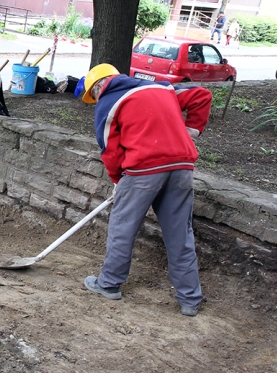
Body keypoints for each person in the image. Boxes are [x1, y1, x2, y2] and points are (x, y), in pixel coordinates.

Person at [79, 64, 213, 317]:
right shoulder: (162, 88)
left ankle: (108, 284)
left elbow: (110, 149)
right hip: (181, 167)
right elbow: (201, 95)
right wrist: (190, 132)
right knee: (180, 234)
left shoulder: (109, 101)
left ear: (99, 86)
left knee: (123, 228)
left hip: (142, 171)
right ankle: (190, 300)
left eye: (93, 95)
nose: (95, 100)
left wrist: (118, 180)